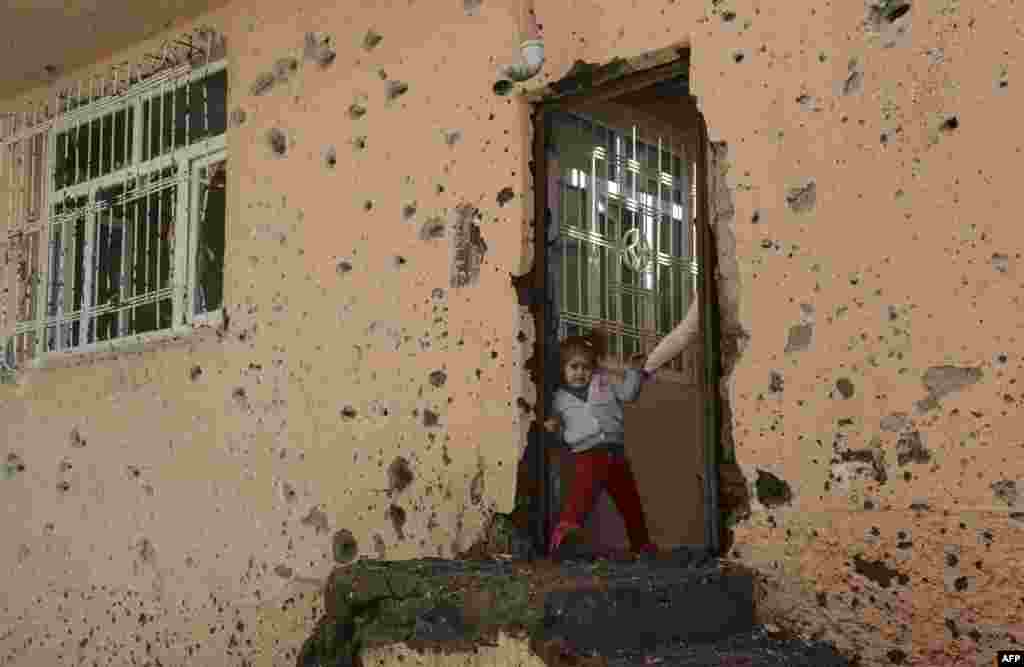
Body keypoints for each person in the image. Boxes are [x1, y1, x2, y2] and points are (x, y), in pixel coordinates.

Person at [543, 328, 658, 559]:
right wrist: (553, 430)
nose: (580, 373)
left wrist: (635, 372)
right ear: (563, 370)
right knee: (580, 497)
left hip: (615, 453)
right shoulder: (558, 398)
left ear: (593, 368)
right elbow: (556, 427)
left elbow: (628, 394)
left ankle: (642, 544)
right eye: (573, 367)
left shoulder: (604, 382)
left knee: (629, 501)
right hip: (585, 455)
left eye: (585, 367)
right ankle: (564, 539)